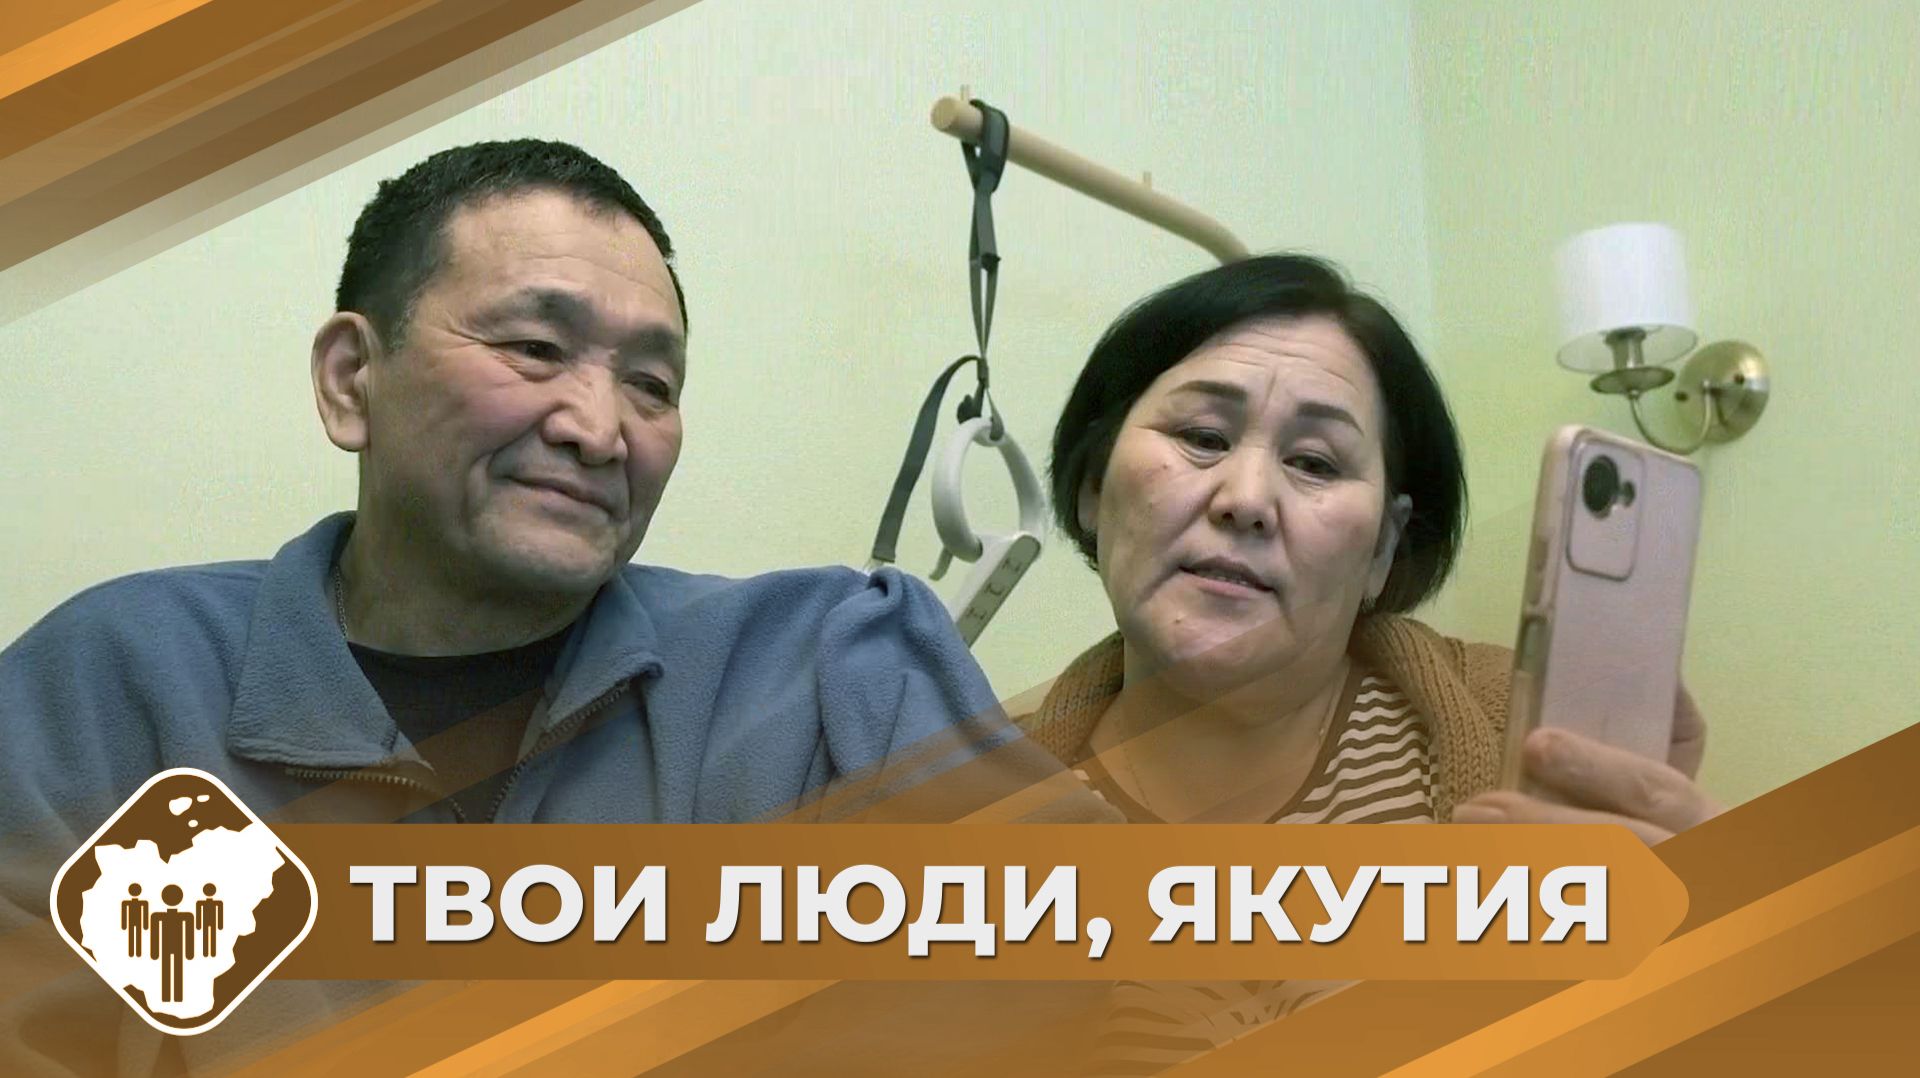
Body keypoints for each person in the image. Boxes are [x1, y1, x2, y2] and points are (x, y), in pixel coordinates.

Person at [0, 138, 1011, 1076]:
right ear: (352, 379)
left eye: (652, 384)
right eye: (534, 346)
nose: (599, 429)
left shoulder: (825, 673)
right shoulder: (111, 695)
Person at [1020, 253, 1720, 1073]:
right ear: (1093, 485)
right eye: (1203, 438)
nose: (1246, 499)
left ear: (1384, 548)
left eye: (1315, 463)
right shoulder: (959, 804)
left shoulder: (1521, 737)